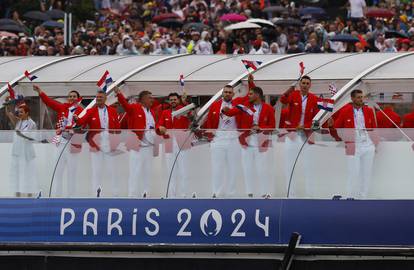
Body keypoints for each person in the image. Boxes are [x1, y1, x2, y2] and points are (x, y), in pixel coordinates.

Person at [222, 86, 275, 198]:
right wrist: (225, 110)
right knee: (247, 168)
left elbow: (272, 127)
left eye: (250, 94)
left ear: (257, 95)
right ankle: (249, 193)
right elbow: (231, 112)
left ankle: (264, 193)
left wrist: (260, 127)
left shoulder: (269, 108)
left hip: (262, 141)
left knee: (262, 169)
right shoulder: (245, 106)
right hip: (246, 142)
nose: (248, 96)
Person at [33, 85, 83, 197]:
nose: (72, 98)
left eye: (74, 96)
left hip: (74, 142)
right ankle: (57, 195)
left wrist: (75, 123)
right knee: (58, 171)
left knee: (72, 171)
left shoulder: (81, 110)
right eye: (70, 96)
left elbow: (83, 125)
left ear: (78, 98)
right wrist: (40, 91)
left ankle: (71, 196)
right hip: (61, 141)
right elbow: (49, 102)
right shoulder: (63, 107)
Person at [74, 90, 120, 197]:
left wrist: (116, 141)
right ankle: (95, 193)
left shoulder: (112, 111)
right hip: (96, 142)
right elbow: (82, 121)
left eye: (100, 97)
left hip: (109, 140)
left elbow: (117, 128)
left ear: (105, 99)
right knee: (96, 170)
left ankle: (114, 193)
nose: (98, 99)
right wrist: (77, 119)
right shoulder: (91, 111)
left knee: (112, 169)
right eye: (97, 97)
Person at [333, 89, 377, 199]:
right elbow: (337, 127)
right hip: (352, 144)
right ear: (352, 98)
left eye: (361, 97)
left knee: (366, 174)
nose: (361, 99)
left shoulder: (369, 111)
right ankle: (351, 197)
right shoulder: (345, 111)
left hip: (367, 144)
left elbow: (374, 128)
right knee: (353, 173)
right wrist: (334, 129)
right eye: (358, 97)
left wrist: (375, 144)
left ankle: (363, 197)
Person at [280, 75, 319, 197]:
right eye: (303, 83)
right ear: (300, 84)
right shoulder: (293, 95)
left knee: (309, 166)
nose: (305, 85)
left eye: (307, 83)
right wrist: (289, 89)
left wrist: (305, 126)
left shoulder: (314, 99)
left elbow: (316, 120)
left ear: (310, 85)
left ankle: (310, 195)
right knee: (290, 166)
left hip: (306, 136)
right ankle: (290, 195)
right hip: (292, 135)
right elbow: (283, 100)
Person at [114, 87, 156, 198]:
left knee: (147, 172)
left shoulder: (151, 112)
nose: (152, 100)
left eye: (152, 98)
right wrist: (119, 93)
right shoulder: (134, 107)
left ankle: (146, 194)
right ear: (142, 100)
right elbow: (125, 105)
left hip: (149, 146)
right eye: (149, 98)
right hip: (137, 146)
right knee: (135, 171)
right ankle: (132, 195)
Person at [156, 93, 191, 197]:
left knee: (184, 171)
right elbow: (159, 125)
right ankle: (172, 195)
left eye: (175, 99)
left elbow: (191, 115)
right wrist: (159, 129)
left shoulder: (184, 109)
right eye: (171, 100)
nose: (173, 101)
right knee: (171, 171)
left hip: (182, 143)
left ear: (178, 100)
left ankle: (184, 195)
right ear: (169, 101)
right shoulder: (165, 112)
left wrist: (185, 102)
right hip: (169, 144)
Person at [5, 101, 38, 197]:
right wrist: (7, 105)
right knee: (17, 172)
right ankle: (18, 193)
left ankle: (29, 193)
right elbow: (8, 114)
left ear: (27, 113)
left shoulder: (32, 123)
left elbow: (33, 137)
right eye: (18, 112)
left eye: (21, 112)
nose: (19, 114)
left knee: (28, 173)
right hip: (18, 151)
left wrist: (23, 135)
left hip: (27, 152)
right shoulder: (18, 121)